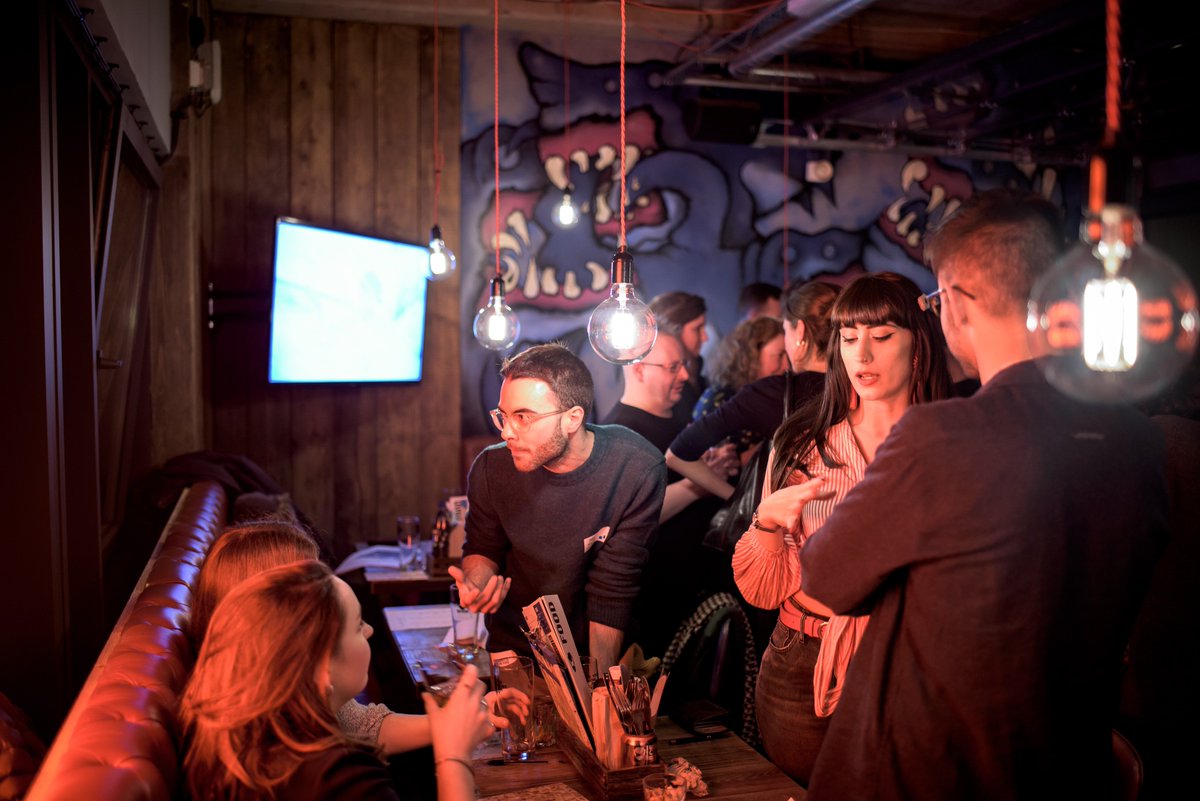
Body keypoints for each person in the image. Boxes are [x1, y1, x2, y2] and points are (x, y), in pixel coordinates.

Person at [799, 188, 1168, 800]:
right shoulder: (1140, 439)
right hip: (1066, 766)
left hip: (935, 770)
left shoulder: (943, 435)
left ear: (957, 302)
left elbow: (827, 577)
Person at [731, 272, 952, 785]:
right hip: (803, 660)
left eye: (882, 336)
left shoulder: (950, 445)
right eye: (849, 339)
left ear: (919, 345)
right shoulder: (803, 444)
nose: (862, 354)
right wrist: (768, 522)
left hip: (910, 660)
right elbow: (763, 589)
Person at [190, 520, 524, 755]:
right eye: (313, 580)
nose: (325, 588)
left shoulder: (284, 690)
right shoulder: (283, 754)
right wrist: (452, 755)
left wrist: (459, 718)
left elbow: (361, 725)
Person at [181, 560, 493, 801]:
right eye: (357, 626)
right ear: (321, 669)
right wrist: (454, 757)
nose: (369, 630)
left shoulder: (238, 748)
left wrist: (452, 722)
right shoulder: (339, 780)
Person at [450, 343, 666, 668]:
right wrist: (477, 584)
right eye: (503, 416)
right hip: (514, 650)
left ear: (572, 418)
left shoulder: (636, 468)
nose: (507, 432)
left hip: (592, 651)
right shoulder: (490, 468)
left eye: (523, 417)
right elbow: (483, 547)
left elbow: (613, 589)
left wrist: (597, 683)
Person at [602, 333, 734, 657]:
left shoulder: (678, 415)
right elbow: (626, 515)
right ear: (638, 370)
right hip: (658, 602)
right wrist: (699, 483)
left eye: (683, 365)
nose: (685, 375)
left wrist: (716, 464)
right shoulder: (618, 434)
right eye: (673, 367)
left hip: (696, 587)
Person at [665, 281, 840, 501]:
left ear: (800, 331)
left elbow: (678, 453)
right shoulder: (859, 389)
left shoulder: (771, 393)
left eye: (786, 330)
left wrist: (737, 499)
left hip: (792, 519)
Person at [692, 316, 787, 455]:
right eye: (780, 355)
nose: (786, 365)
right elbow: (710, 461)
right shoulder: (718, 400)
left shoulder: (777, 394)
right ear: (753, 354)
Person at [649, 291, 709, 425]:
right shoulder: (666, 388)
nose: (705, 337)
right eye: (697, 328)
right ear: (672, 330)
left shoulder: (699, 373)